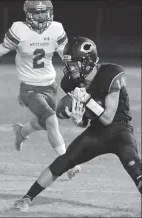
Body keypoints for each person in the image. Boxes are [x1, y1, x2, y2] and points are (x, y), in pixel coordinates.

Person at [11, 36, 142, 212]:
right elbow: (87, 120)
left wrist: (87, 99)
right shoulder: (72, 83)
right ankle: (26, 198)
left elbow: (108, 118)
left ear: (87, 62)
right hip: (96, 132)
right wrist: (79, 120)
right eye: (69, 64)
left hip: (119, 129)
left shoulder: (111, 74)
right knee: (63, 161)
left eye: (74, 64)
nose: (70, 68)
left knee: (134, 165)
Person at [0, 0, 81, 179]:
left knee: (45, 123)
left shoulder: (56, 29)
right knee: (51, 120)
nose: (41, 16)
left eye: (44, 12)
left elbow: (65, 55)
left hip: (50, 85)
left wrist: (79, 75)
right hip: (29, 88)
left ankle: (23, 131)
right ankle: (66, 164)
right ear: (28, 14)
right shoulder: (19, 29)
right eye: (37, 13)